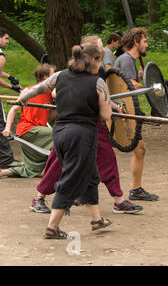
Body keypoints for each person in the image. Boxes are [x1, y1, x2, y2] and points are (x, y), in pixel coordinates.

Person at [30, 36, 143, 215]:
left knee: (105, 159)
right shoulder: (74, 71)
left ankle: (116, 201)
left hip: (91, 124)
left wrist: (115, 106)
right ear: (90, 53)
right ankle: (39, 197)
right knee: (59, 161)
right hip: (73, 123)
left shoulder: (97, 70)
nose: (103, 50)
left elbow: (100, 96)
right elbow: (55, 91)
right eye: (99, 47)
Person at [19, 42, 113, 239]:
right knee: (70, 179)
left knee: (90, 174)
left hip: (60, 133)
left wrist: (23, 98)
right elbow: (105, 116)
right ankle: (52, 227)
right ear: (93, 60)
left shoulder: (60, 75)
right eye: (100, 60)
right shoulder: (97, 83)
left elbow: (39, 89)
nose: (101, 65)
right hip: (81, 136)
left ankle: (96, 220)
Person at [114, 27, 159, 201]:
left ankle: (136, 189)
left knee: (139, 148)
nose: (146, 44)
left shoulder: (128, 60)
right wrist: (150, 85)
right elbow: (128, 85)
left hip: (124, 111)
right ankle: (83, 190)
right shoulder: (126, 59)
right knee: (109, 152)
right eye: (145, 41)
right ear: (136, 42)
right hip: (121, 112)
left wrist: (139, 78)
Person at [0, 64, 55, 179]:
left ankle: (3, 172)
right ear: (45, 77)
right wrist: (7, 128)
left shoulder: (50, 94)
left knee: (32, 169)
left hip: (36, 131)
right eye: (53, 74)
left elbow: (47, 117)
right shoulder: (29, 91)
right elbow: (13, 109)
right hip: (28, 130)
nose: (55, 76)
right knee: (58, 134)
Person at [0, 27, 23, 168]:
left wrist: (10, 77)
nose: (8, 42)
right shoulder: (1, 56)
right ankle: (6, 160)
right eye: (6, 38)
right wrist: (12, 87)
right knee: (1, 125)